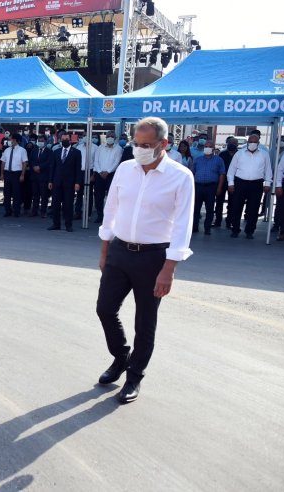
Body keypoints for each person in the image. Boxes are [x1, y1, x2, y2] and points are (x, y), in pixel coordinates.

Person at [96, 116, 195, 404]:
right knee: (105, 309)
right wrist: (105, 251)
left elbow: (182, 225)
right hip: (119, 251)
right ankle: (121, 356)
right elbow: (110, 210)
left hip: (154, 258)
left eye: (147, 145)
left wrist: (169, 268)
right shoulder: (125, 169)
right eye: (136, 144)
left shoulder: (180, 176)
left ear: (165, 144)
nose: (139, 150)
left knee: (145, 321)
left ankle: (134, 376)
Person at [227, 134, 272, 239]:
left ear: (258, 143)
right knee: (236, 207)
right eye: (250, 141)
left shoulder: (264, 154)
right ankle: (235, 229)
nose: (252, 144)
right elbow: (231, 170)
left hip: (256, 184)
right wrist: (231, 183)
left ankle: (250, 231)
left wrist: (268, 183)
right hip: (240, 183)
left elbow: (268, 170)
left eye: (254, 142)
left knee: (253, 208)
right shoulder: (239, 153)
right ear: (247, 143)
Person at [47, 130, 82, 232]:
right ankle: (56, 224)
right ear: (60, 140)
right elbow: (52, 167)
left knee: (68, 205)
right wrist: (50, 181)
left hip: (70, 183)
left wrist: (77, 182)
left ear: (70, 140)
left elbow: (78, 169)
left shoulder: (76, 152)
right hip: (57, 182)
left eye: (66, 139)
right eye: (63, 139)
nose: (65, 141)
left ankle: (68, 225)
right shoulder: (56, 152)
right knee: (56, 204)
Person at [190, 140, 225, 235]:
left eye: (209, 146)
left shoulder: (218, 160)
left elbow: (222, 174)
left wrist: (219, 188)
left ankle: (207, 228)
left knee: (210, 209)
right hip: (198, 186)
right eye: (206, 146)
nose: (207, 148)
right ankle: (194, 227)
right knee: (196, 208)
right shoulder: (198, 159)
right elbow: (192, 173)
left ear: (213, 149)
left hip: (211, 187)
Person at [93, 130, 123, 223]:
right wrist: (99, 171)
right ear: (105, 138)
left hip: (111, 176)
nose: (110, 137)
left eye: (112, 136)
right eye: (108, 136)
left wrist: (108, 172)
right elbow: (96, 161)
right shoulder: (100, 148)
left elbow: (116, 162)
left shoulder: (119, 149)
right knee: (98, 197)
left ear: (115, 138)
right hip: (99, 175)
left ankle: (110, 217)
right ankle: (100, 215)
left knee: (111, 198)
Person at [0, 133, 28, 217]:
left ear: (16, 140)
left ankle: (16, 211)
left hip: (17, 173)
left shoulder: (22, 150)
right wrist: (2, 174)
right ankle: (8, 211)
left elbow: (24, 163)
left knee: (17, 193)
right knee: (7, 193)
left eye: (11, 139)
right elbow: (3, 162)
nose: (10, 140)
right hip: (7, 173)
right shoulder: (7, 150)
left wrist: (22, 174)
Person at [215, 137, 239, 228]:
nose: (231, 144)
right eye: (230, 142)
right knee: (219, 202)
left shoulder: (239, 154)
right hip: (222, 180)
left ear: (237, 145)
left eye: (233, 143)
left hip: (234, 182)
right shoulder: (222, 154)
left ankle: (229, 221)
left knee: (232, 202)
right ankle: (218, 221)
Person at [29, 134, 53, 218]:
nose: (40, 142)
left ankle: (43, 211)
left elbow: (49, 162)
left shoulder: (49, 151)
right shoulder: (34, 150)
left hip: (44, 177)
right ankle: (34, 211)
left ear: (46, 141)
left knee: (44, 196)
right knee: (35, 195)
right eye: (39, 141)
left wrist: (40, 167)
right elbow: (31, 160)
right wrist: (34, 167)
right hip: (35, 176)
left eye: (42, 141)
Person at [75, 134, 97, 220]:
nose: (85, 137)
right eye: (84, 135)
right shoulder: (79, 147)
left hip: (90, 171)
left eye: (87, 135)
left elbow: (96, 161)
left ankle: (88, 213)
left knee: (89, 194)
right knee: (79, 193)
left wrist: (93, 174)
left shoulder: (95, 148)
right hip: (80, 171)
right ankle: (78, 212)